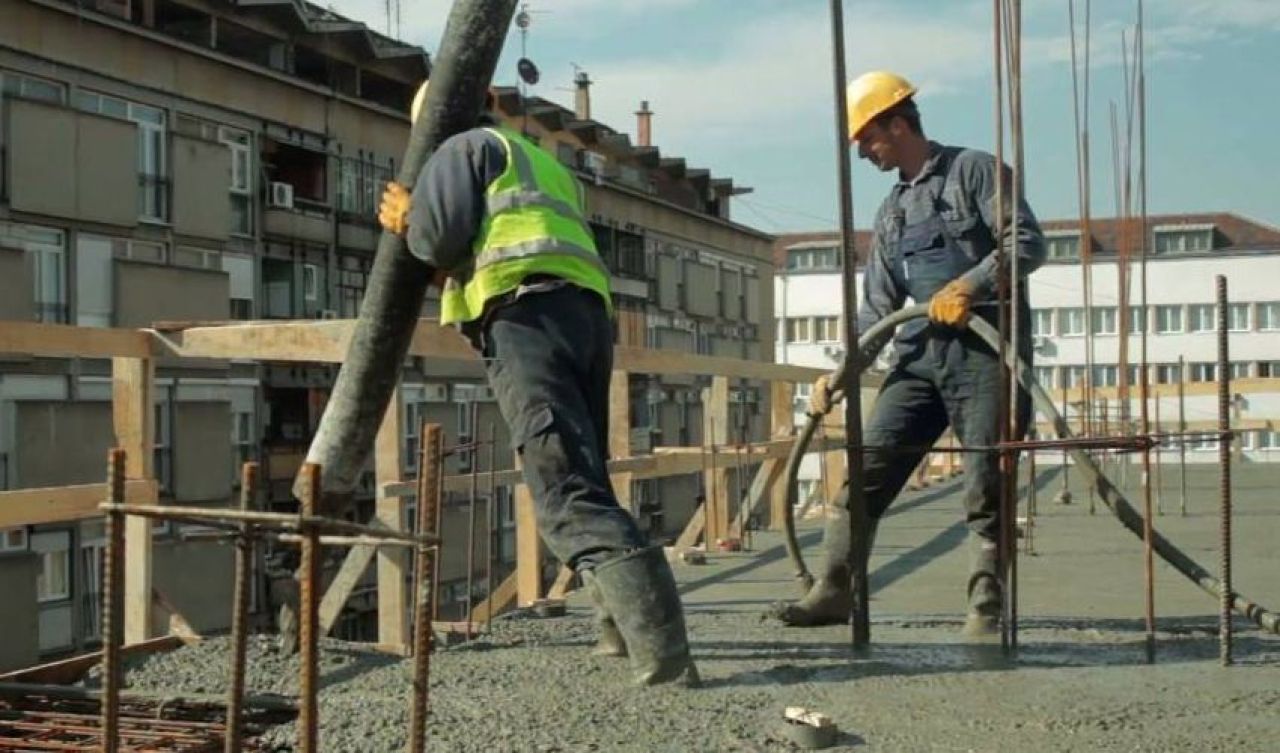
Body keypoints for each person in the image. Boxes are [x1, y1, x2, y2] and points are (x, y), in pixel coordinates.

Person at [379, 82, 697, 685]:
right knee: (585, 469)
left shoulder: (460, 149)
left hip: (525, 319)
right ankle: (618, 633)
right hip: (582, 317)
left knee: (563, 486)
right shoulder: (539, 161)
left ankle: (666, 661)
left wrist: (407, 219)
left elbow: (437, 240)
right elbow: (476, 249)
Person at [770, 71, 1045, 635]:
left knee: (985, 479)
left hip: (986, 353)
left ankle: (986, 608)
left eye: (869, 139)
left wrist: (970, 285)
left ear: (898, 124)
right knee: (868, 468)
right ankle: (834, 590)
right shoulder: (892, 210)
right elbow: (878, 308)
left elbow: (1027, 242)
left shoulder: (974, 171)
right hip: (919, 358)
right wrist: (843, 373)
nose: (866, 153)